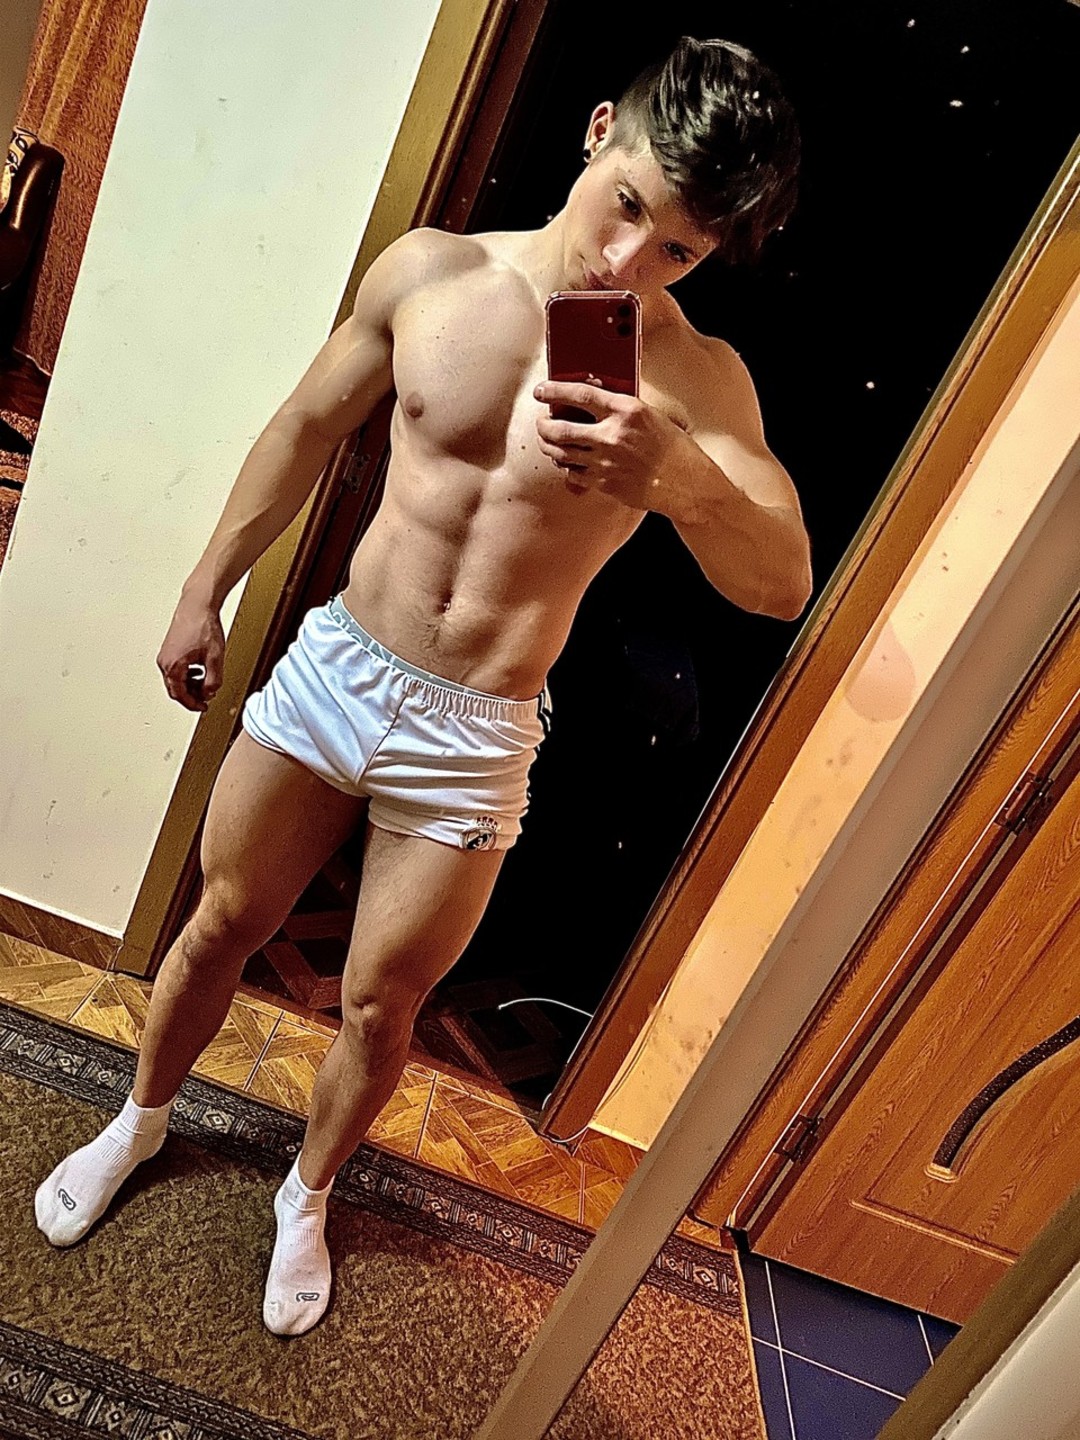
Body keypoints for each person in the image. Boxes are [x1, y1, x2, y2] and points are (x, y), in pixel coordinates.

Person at [34, 35, 811, 1336]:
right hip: (343, 665)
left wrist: (678, 480)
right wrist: (202, 588)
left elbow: (782, 581)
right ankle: (137, 1122)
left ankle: (307, 1195)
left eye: (676, 251)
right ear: (599, 132)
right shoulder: (432, 274)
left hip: (482, 723)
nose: (628, 262)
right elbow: (304, 427)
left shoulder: (693, 381)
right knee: (221, 923)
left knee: (382, 1002)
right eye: (627, 205)